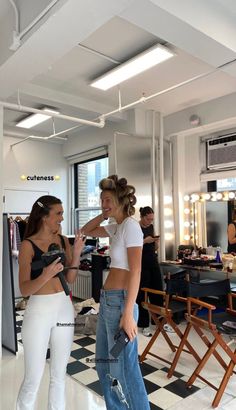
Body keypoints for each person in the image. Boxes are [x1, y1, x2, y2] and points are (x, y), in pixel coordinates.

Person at [81, 175, 150, 410]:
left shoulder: (130, 226)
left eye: (108, 200)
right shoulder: (117, 226)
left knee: (124, 367)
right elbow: (84, 230)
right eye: (101, 201)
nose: (103, 204)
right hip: (108, 303)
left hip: (121, 304)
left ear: (121, 200)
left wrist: (128, 312)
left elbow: (136, 270)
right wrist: (105, 213)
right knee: (104, 364)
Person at [16, 195, 85, 410]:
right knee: (33, 378)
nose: (62, 218)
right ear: (45, 217)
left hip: (63, 309)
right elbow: (24, 289)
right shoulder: (28, 245)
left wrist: (76, 254)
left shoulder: (62, 240)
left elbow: (70, 279)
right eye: (59, 213)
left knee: (59, 375)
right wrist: (46, 275)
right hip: (38, 312)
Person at [136, 206, 163, 337]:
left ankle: (159, 321)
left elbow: (155, 248)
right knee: (142, 294)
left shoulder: (151, 227)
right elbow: (132, 247)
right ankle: (143, 324)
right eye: (148, 219)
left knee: (158, 291)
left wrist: (156, 242)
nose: (150, 222)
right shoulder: (136, 228)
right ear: (142, 216)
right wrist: (144, 241)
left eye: (152, 219)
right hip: (141, 264)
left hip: (153, 261)